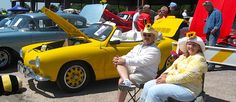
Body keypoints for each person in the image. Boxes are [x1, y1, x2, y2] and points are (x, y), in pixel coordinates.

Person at [140, 31, 208, 102]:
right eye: (189, 44)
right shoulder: (184, 56)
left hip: (189, 89)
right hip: (176, 83)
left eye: (194, 45)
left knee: (154, 91)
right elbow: (172, 67)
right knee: (148, 85)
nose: (190, 47)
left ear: (199, 47)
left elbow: (188, 76)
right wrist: (164, 75)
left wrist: (166, 80)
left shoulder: (199, 59)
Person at [113, 24, 161, 102]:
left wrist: (125, 60)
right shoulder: (138, 46)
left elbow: (141, 61)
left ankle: (125, 82)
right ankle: (126, 81)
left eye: (149, 35)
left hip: (146, 74)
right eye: (145, 35)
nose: (146, 37)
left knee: (121, 81)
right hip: (134, 70)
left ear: (153, 38)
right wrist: (120, 58)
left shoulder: (155, 50)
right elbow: (129, 55)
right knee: (119, 62)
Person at [203, 0, 222, 71]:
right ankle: (208, 63)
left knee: (211, 48)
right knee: (208, 48)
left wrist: (215, 29)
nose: (206, 9)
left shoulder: (217, 12)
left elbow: (219, 22)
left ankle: (211, 65)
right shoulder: (210, 13)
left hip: (213, 33)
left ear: (210, 6)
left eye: (206, 7)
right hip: (208, 32)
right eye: (205, 8)